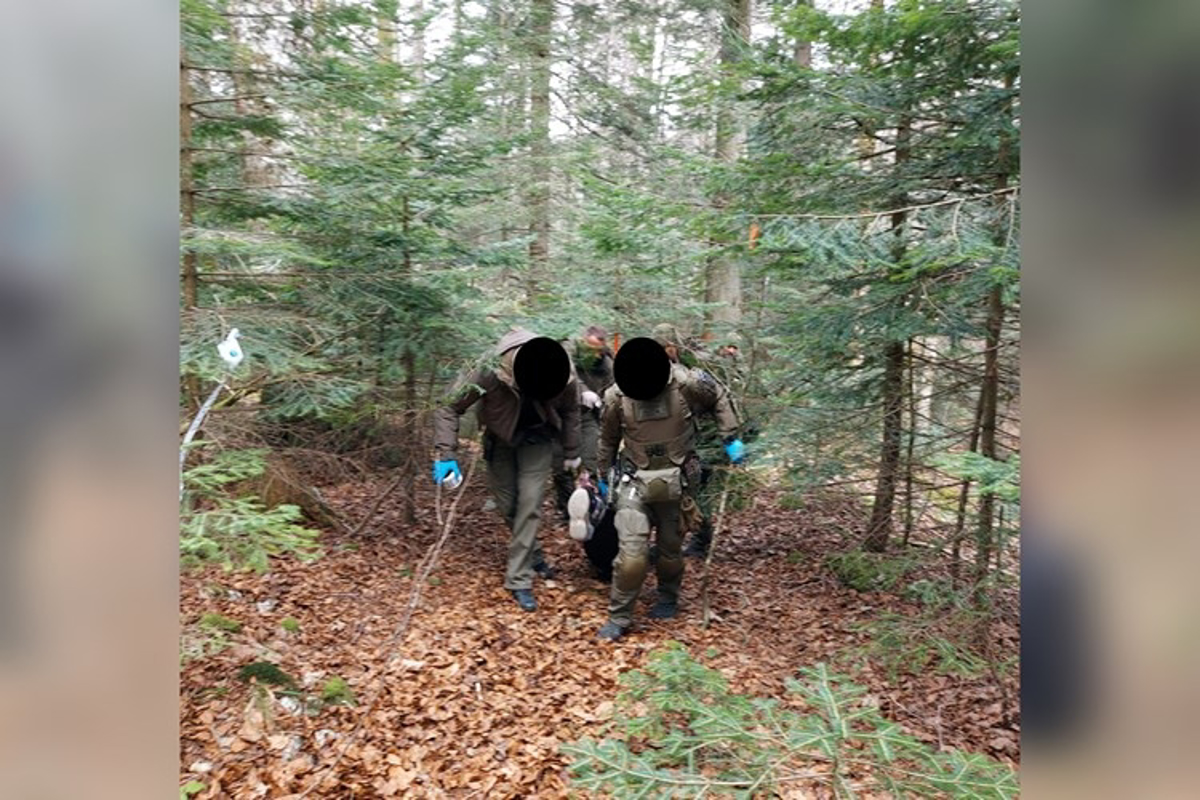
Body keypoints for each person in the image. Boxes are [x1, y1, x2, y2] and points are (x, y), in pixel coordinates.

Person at [594, 336, 744, 641]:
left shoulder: (687, 383)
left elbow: (718, 394)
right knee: (632, 555)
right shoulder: (616, 397)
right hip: (634, 481)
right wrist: (602, 474)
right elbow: (608, 439)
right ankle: (619, 616)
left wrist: (731, 438)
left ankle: (668, 597)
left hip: (678, 480)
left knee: (670, 551)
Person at [432, 328, 581, 612]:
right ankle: (534, 554)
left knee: (529, 503)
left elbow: (571, 410)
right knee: (508, 505)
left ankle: (519, 579)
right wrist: (446, 454)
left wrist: (572, 452)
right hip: (499, 441)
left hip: (538, 440)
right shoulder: (489, 368)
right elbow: (449, 407)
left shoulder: (563, 369)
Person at [649, 324, 744, 559]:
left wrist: (730, 438)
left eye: (664, 348)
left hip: (711, 435)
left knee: (696, 487)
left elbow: (721, 399)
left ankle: (699, 541)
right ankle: (673, 542)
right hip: (686, 434)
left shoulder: (700, 365)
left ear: (673, 346)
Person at [552, 325, 614, 520]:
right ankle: (566, 508)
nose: (595, 355)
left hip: (588, 416)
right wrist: (582, 390)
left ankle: (592, 507)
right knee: (560, 466)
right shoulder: (568, 351)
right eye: (591, 348)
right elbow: (564, 373)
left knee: (592, 460)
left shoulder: (607, 365)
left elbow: (613, 392)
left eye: (599, 351)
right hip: (560, 415)